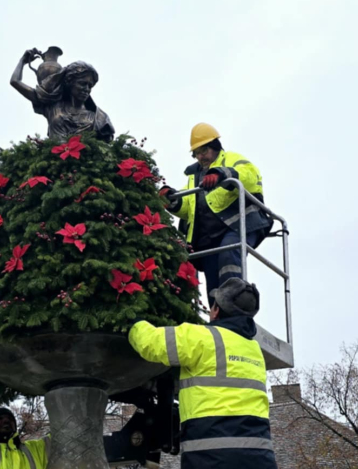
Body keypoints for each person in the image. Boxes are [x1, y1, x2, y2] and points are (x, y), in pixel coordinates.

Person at [128, 278, 278, 469]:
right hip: (260, 458)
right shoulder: (254, 350)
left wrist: (133, 321)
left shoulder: (203, 338)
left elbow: (151, 343)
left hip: (211, 457)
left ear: (216, 310)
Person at [160, 123, 271, 306]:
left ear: (215, 146)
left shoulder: (231, 159)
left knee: (229, 251)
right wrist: (172, 200)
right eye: (196, 153)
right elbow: (189, 207)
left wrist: (222, 174)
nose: (200, 156)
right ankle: (217, 312)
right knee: (212, 269)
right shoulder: (194, 176)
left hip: (240, 224)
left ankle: (236, 304)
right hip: (209, 237)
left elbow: (250, 176)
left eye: (203, 151)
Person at [10, 48, 115, 141]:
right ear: (70, 82)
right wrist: (22, 61)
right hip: (52, 162)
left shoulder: (99, 118)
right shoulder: (52, 106)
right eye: (82, 84)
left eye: (90, 86)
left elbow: (106, 150)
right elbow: (15, 82)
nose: (87, 89)